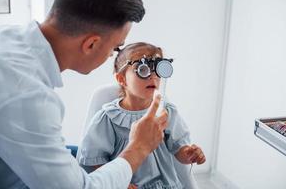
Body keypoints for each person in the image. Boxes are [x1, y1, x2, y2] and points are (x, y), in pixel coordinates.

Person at [0, 0, 169, 188]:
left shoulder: (7, 36)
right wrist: (139, 147)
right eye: (115, 48)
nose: (111, 57)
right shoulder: (28, 97)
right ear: (91, 44)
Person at [77, 42, 206, 189]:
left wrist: (189, 154)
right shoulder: (108, 119)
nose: (153, 77)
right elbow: (94, 161)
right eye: (143, 69)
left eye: (158, 69)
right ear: (121, 79)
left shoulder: (167, 112)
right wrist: (118, 183)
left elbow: (178, 150)